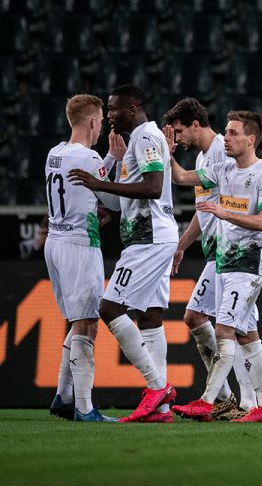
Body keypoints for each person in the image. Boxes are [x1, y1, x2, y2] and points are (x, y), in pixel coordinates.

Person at [68, 84, 179, 423]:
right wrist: (112, 167)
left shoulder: (145, 137)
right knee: (149, 316)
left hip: (148, 239)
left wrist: (99, 184)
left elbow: (153, 187)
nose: (110, 115)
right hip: (150, 236)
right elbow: (123, 200)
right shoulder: (137, 141)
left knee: (109, 306)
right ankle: (160, 409)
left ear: (133, 108)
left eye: (115, 108)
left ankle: (157, 386)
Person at [171, 111, 262, 423]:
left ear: (251, 139)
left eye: (233, 133)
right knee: (247, 335)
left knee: (225, 329)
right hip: (224, 263)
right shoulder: (222, 169)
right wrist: (166, 154)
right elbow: (181, 178)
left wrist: (224, 213)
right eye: (226, 132)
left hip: (249, 263)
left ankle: (208, 401)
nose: (226, 138)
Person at [162, 97, 254, 420]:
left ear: (196, 125)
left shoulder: (221, 151)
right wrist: (183, 244)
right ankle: (245, 401)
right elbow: (203, 213)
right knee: (238, 330)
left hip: (229, 255)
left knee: (203, 319)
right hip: (217, 253)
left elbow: (186, 182)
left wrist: (166, 154)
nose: (178, 138)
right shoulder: (205, 157)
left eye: (179, 131)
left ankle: (229, 399)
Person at [45, 94, 121, 422]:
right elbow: (114, 202)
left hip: (55, 241)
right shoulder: (90, 158)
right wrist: (114, 159)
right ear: (92, 122)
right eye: (101, 121)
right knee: (88, 323)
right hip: (79, 244)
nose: (102, 126)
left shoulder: (54, 154)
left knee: (77, 321)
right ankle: (85, 407)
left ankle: (63, 397)